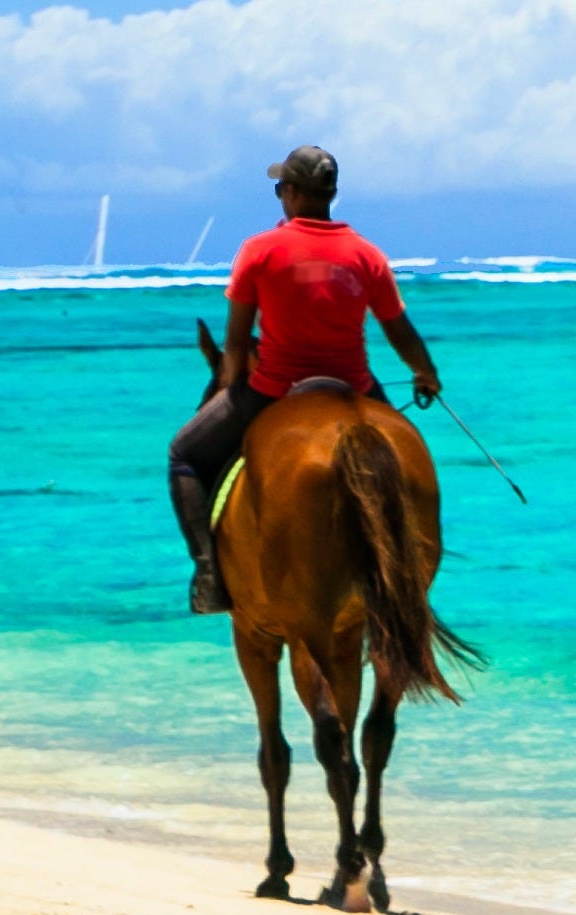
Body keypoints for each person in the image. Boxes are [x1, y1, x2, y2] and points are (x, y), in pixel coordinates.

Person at [166, 147, 443, 613]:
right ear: (330, 194)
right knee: (404, 458)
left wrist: (232, 380)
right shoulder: (367, 254)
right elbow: (399, 330)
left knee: (183, 455)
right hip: (356, 386)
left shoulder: (260, 250)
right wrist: (425, 373)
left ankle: (210, 574)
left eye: (280, 189)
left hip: (275, 386)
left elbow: (236, 341)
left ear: (292, 194)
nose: (279, 196)